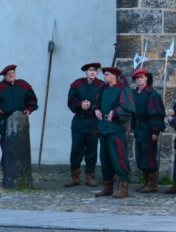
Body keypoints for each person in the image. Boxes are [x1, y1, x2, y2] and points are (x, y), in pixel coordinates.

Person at [0, 65, 39, 167]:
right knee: (6, 144)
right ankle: (6, 168)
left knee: (22, 144)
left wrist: (29, 109)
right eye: (9, 74)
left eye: (13, 73)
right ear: (4, 76)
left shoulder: (23, 85)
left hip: (21, 120)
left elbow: (32, 100)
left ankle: (22, 167)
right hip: (6, 120)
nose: (11, 75)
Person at [93, 67, 135, 199]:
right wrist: (96, 109)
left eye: (106, 75)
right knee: (105, 158)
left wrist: (115, 112)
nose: (104, 77)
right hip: (103, 127)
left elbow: (129, 108)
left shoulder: (123, 89)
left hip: (115, 128)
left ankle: (124, 188)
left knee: (118, 157)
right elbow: (97, 102)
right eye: (104, 74)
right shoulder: (104, 89)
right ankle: (107, 187)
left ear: (114, 76)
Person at [65, 62, 104, 188]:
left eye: (95, 70)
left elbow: (103, 102)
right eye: (90, 70)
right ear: (86, 71)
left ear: (97, 72)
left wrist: (92, 106)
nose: (92, 72)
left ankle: (90, 177)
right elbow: (71, 101)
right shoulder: (77, 85)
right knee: (76, 150)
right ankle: (74, 177)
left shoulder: (101, 86)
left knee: (92, 150)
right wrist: (80, 105)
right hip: (79, 122)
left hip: (93, 122)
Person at [130, 68, 166, 194]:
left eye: (142, 77)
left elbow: (156, 114)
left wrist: (155, 131)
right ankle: (145, 182)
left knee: (148, 154)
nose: (139, 79)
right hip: (139, 129)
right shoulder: (134, 94)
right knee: (140, 155)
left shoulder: (151, 94)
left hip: (148, 128)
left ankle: (152, 183)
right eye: (137, 78)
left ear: (146, 78)